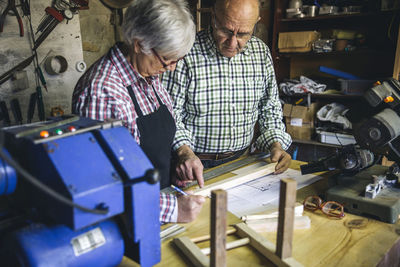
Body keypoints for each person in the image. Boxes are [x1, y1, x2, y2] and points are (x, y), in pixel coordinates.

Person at [72, 0, 204, 223]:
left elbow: (147, 150)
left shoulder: (148, 73)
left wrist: (176, 164)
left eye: (177, 59)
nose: (172, 68)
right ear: (138, 44)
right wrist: (173, 209)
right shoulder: (101, 92)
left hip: (158, 204)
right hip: (126, 223)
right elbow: (103, 185)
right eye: (167, 59)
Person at [162, 0, 292, 188]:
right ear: (213, 17)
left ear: (256, 23)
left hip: (244, 160)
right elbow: (170, 114)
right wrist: (184, 152)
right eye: (226, 31)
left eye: (243, 34)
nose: (232, 43)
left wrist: (276, 144)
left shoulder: (260, 53)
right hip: (195, 164)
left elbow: (269, 107)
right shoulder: (186, 52)